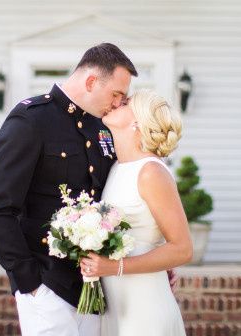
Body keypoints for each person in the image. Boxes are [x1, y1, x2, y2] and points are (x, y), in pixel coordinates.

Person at [0, 43, 137, 336]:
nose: (118, 104)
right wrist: (28, 283)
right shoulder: (31, 119)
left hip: (92, 289)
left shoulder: (102, 128)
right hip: (46, 285)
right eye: (116, 94)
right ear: (91, 81)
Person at [79, 89, 192, 336]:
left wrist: (114, 267)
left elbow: (182, 248)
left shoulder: (151, 172)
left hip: (144, 304)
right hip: (117, 304)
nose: (116, 102)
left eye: (126, 102)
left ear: (137, 122)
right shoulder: (117, 168)